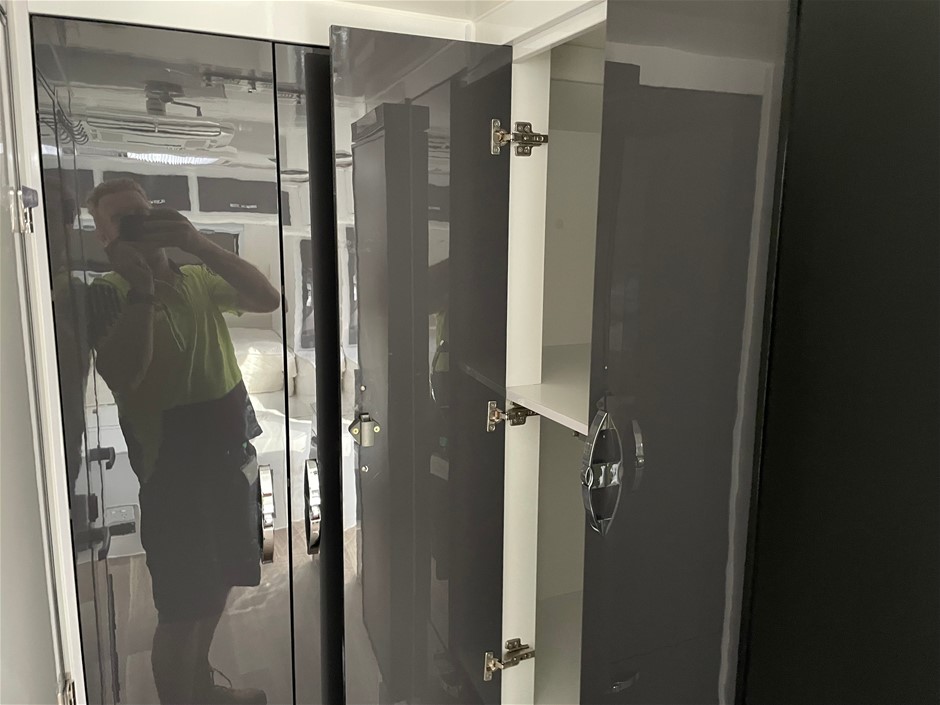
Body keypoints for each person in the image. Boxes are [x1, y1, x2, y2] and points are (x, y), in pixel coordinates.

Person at [87, 178, 280, 705]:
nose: (139, 224)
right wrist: (143, 288)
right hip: (173, 472)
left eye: (144, 213)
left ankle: (201, 687)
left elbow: (268, 298)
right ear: (104, 236)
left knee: (221, 582)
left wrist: (197, 243)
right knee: (181, 608)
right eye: (123, 220)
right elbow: (125, 373)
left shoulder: (197, 276)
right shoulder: (106, 292)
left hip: (231, 455)